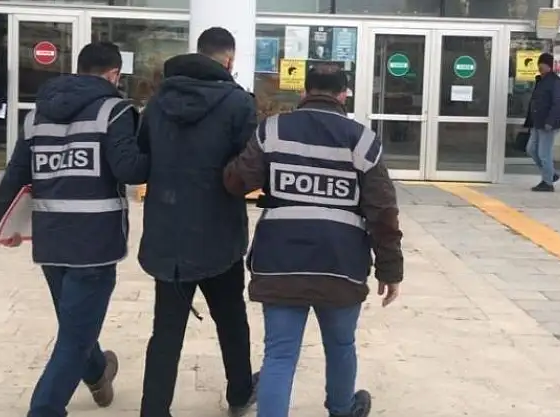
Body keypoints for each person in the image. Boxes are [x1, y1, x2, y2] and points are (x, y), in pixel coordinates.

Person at [223, 64, 404, 417]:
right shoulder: (363, 140)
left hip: (280, 261)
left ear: (304, 92)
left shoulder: (273, 130)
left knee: (279, 354)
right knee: (340, 345)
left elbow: (237, 182)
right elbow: (383, 211)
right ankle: (341, 408)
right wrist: (390, 268)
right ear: (343, 95)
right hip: (341, 263)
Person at [0, 42, 149, 417]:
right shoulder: (114, 110)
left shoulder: (37, 114)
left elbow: (16, 172)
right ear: (114, 74)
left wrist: (2, 223)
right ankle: (44, 408)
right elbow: (130, 171)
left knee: (75, 323)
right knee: (75, 336)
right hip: (94, 242)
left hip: (51, 239)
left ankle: (97, 372)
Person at [136, 27, 259, 417]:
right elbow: (247, 169)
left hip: (167, 234)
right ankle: (239, 393)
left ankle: (154, 409)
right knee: (231, 319)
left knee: (166, 330)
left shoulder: (157, 102)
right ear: (229, 60)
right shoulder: (238, 103)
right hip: (218, 234)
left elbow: (142, 155)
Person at [525, 52, 560, 192]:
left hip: (548, 123)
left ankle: (547, 183)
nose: (540, 66)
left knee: (544, 153)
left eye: (543, 64)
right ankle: (551, 173)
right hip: (537, 122)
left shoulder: (555, 81)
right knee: (531, 149)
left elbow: (557, 103)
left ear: (549, 66)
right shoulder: (540, 80)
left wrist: (550, 122)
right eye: (539, 64)